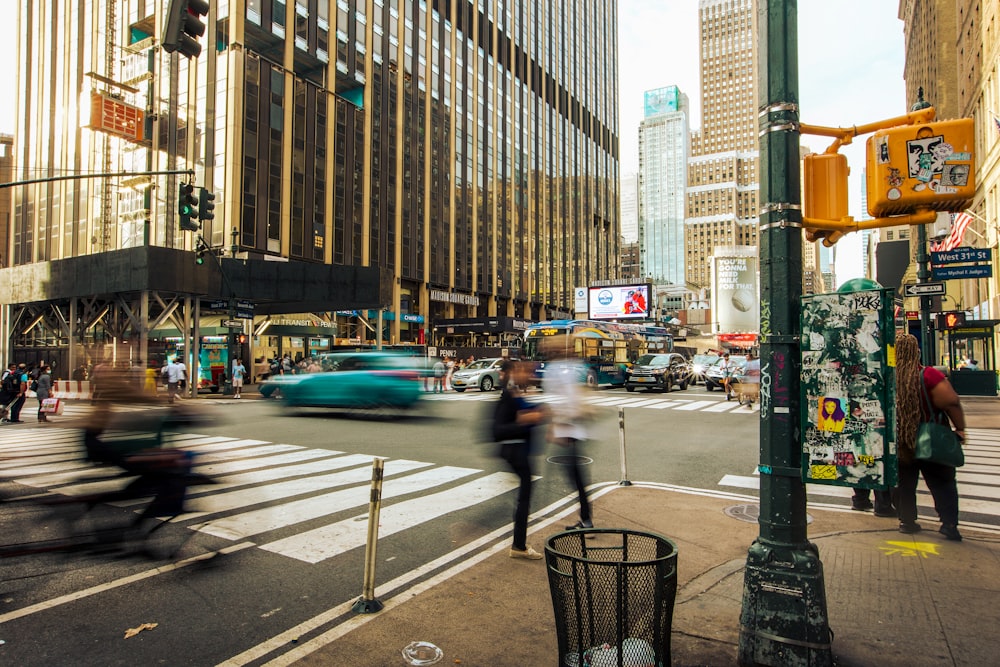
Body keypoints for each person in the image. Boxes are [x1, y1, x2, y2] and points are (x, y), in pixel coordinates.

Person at [894, 333, 966, 541]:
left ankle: (907, 521)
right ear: (916, 352)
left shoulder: (888, 376)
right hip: (931, 438)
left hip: (901, 441)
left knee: (904, 483)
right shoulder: (928, 375)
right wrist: (960, 428)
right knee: (942, 483)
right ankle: (949, 524)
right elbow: (951, 402)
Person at [493, 360, 547, 560]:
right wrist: (525, 420)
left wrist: (537, 413)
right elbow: (497, 430)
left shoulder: (515, 392)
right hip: (515, 452)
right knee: (523, 498)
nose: (530, 375)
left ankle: (519, 543)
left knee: (524, 496)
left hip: (519, 452)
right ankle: (518, 545)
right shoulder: (508, 394)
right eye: (525, 371)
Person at [542, 334, 595, 530]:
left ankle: (586, 519)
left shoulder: (559, 369)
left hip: (569, 430)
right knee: (575, 476)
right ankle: (585, 517)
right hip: (572, 428)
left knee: (575, 476)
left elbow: (566, 400)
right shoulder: (572, 366)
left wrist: (557, 427)